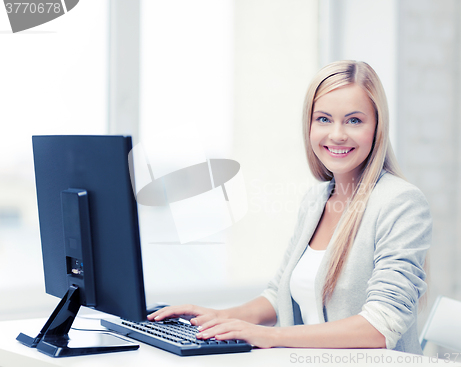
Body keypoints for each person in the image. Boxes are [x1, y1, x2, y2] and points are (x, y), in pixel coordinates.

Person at [148, 60, 432, 354]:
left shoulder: (400, 203)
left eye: (354, 120)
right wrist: (219, 317)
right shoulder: (317, 200)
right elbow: (278, 295)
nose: (337, 134)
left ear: (377, 128)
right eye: (323, 119)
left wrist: (270, 336)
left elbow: (380, 326)